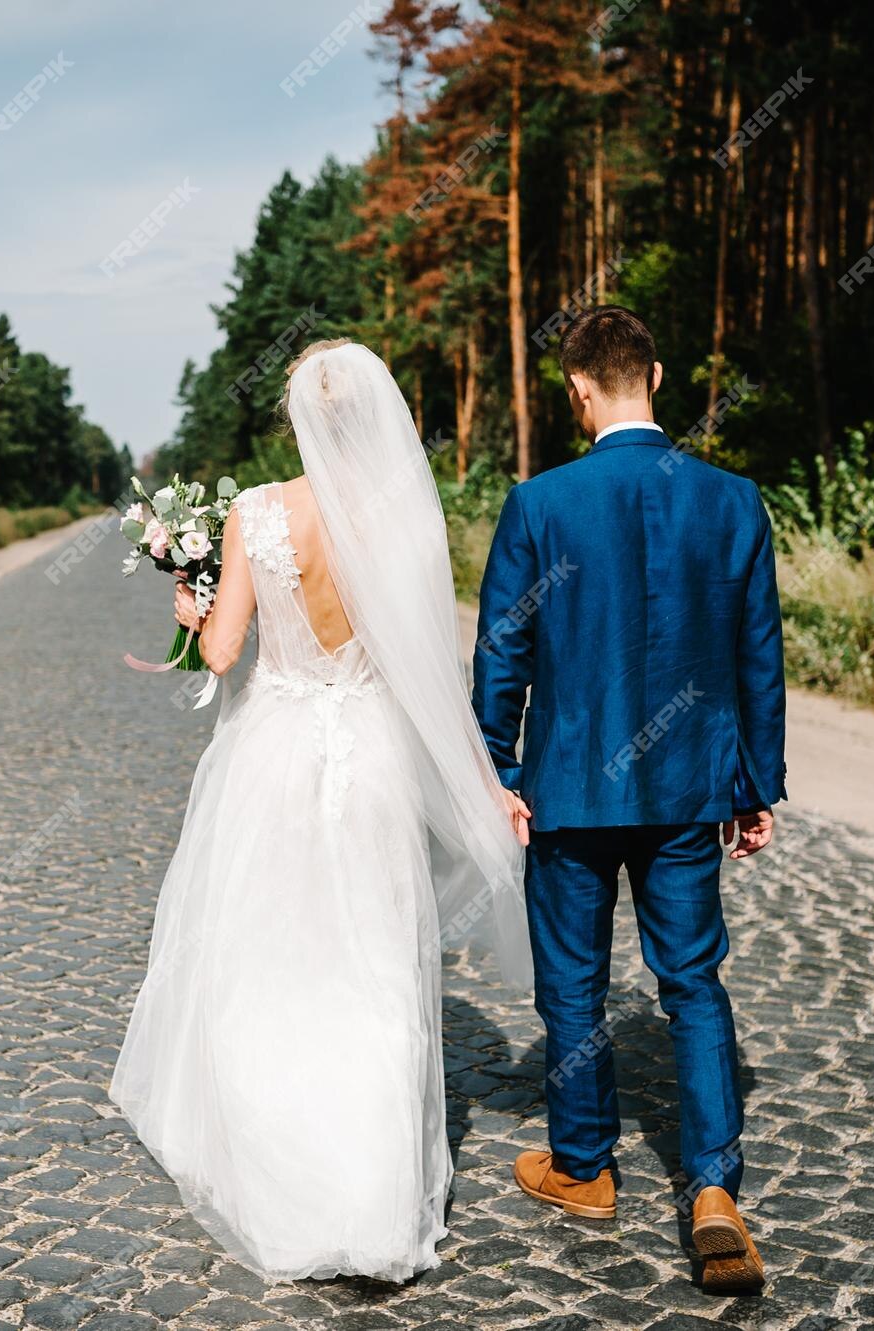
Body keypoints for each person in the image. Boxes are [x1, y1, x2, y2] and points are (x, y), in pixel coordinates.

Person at [110, 338, 531, 1281]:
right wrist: (486, 783)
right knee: (376, 964)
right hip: (373, 755)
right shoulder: (406, 528)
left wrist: (191, 604)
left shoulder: (257, 513)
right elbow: (431, 678)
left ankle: (283, 1180)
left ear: (299, 419)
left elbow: (221, 655)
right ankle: (373, 1198)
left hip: (277, 753)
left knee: (274, 959)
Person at [471, 304, 786, 1293]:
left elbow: (502, 651)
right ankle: (711, 1191)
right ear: (656, 372)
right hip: (689, 784)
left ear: (575, 389)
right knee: (691, 980)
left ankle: (583, 1167)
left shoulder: (539, 503)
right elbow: (756, 656)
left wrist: (494, 772)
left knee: (570, 982)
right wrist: (755, 781)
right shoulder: (732, 500)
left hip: (567, 789)